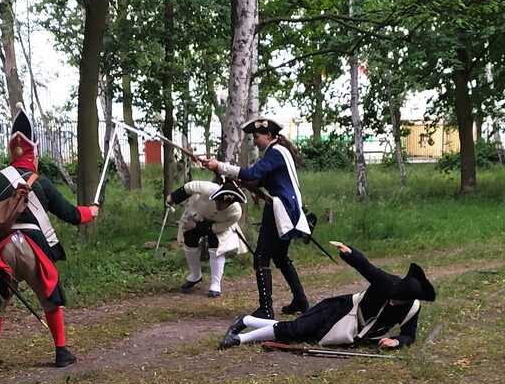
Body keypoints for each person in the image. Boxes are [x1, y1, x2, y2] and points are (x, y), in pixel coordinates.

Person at [0, 106, 99, 376]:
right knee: (50, 299)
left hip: (1, 249)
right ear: (33, 153)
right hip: (34, 246)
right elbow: (70, 214)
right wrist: (91, 212)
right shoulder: (42, 183)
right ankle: (61, 352)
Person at [218, 242, 436, 350]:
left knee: (300, 330)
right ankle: (238, 339)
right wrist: (349, 252)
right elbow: (366, 267)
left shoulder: (412, 309)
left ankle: (245, 321)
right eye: (393, 295)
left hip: (350, 330)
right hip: (339, 310)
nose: (393, 300)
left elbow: (409, 335)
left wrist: (396, 341)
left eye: (399, 300)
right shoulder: (388, 282)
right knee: (295, 330)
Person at [203, 117, 310, 318]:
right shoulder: (277, 151)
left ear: (269, 135)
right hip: (287, 208)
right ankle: (300, 300)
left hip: (279, 209)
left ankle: (266, 309)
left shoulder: (276, 152)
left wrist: (221, 166)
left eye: (257, 136)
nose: (255, 140)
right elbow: (260, 178)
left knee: (261, 257)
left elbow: (252, 173)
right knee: (279, 257)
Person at [166, 178, 248, 298]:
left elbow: (219, 227)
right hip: (197, 215)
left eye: (226, 204)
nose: (221, 206)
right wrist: (173, 197)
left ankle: (215, 283)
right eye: (219, 201)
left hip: (217, 227)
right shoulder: (208, 189)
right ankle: (195, 275)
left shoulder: (236, 213)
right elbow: (189, 187)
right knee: (189, 239)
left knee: (217, 245)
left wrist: (198, 226)